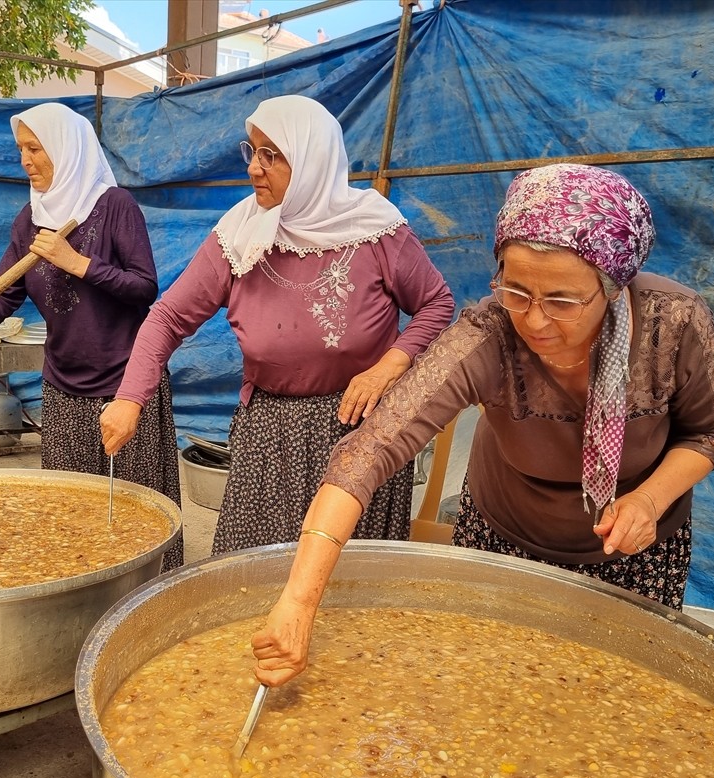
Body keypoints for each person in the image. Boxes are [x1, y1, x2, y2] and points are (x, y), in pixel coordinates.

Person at [251, 162, 714, 686]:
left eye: (562, 300)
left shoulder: (674, 323)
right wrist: (299, 603)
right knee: (487, 687)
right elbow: (367, 453)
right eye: (517, 290)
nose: (533, 319)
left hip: (635, 555)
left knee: (613, 697)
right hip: (502, 546)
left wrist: (648, 501)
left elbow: (709, 433)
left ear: (613, 288)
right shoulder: (489, 334)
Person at [100, 94, 455, 554]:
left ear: (312, 159)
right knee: (252, 571)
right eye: (252, 150)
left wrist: (388, 366)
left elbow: (436, 302)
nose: (253, 168)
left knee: (346, 581)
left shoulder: (375, 230)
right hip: (271, 434)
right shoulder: (239, 234)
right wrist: (130, 398)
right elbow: (167, 318)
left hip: (360, 429)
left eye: (272, 154)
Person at [0, 102, 183, 569]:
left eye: (36, 148)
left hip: (125, 385)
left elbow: (144, 288)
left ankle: (144, 595)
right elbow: (5, 294)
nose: (25, 160)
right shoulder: (30, 219)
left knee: (133, 506)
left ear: (66, 149)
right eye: (21, 148)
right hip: (64, 385)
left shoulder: (114, 206)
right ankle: (80, 588)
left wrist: (76, 262)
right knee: (69, 505)